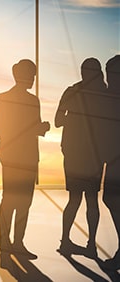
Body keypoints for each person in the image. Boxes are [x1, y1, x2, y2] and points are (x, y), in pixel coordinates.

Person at [0, 59, 50, 266]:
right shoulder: (9, 99)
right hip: (19, 157)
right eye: (31, 75)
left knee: (20, 202)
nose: (33, 79)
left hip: (21, 156)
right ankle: (9, 242)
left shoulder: (29, 100)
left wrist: (38, 128)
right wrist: (33, 129)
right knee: (13, 201)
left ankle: (14, 242)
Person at [55, 58, 105, 258]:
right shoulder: (103, 94)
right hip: (92, 155)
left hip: (75, 154)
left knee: (74, 199)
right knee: (91, 201)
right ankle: (90, 244)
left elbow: (58, 121)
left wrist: (75, 118)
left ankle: (65, 240)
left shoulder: (71, 91)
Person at [100, 55, 120, 269]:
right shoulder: (109, 95)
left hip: (116, 160)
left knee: (111, 199)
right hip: (113, 159)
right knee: (111, 199)